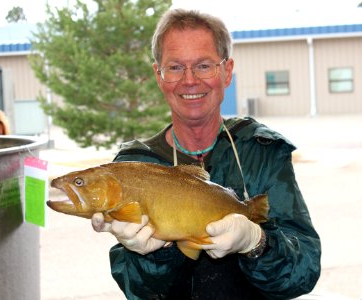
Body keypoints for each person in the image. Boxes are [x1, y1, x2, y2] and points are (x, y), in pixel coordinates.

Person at [91, 9, 321, 299]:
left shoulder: (261, 153)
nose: (189, 80)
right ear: (158, 76)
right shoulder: (136, 168)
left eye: (203, 66)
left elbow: (305, 272)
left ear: (226, 71)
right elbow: (139, 292)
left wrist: (257, 242)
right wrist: (149, 256)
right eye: (175, 67)